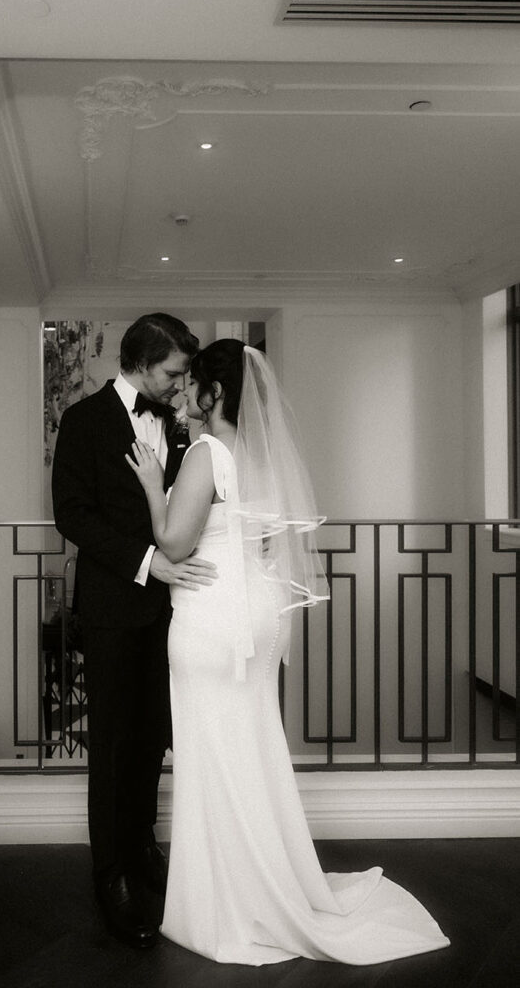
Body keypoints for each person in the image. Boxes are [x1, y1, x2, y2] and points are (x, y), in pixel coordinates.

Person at [126, 338, 450, 966]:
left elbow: (174, 543)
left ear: (216, 393)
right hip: (256, 615)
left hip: (213, 619)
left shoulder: (207, 453)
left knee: (214, 752)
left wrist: (150, 485)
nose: (184, 395)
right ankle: (262, 880)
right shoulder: (261, 456)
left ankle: (229, 899)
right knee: (250, 746)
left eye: (193, 385)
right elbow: (268, 542)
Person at [51, 313, 216, 950]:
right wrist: (149, 563)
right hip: (113, 607)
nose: (180, 385)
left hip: (171, 612)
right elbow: (72, 515)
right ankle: (111, 873)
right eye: (173, 372)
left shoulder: (174, 425)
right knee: (113, 742)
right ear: (142, 363)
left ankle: (144, 845)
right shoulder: (84, 421)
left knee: (151, 736)